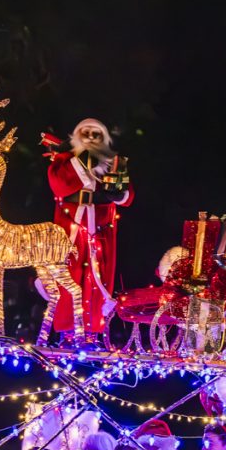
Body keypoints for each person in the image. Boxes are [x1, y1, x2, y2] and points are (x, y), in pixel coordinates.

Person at [44, 118, 133, 342]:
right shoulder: (65, 160)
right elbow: (59, 184)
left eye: (96, 134)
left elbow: (128, 195)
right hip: (71, 225)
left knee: (98, 277)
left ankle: (93, 332)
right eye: (87, 133)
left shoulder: (112, 162)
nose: (92, 138)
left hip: (101, 225)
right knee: (69, 275)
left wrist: (118, 192)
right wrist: (85, 160)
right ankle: (68, 331)